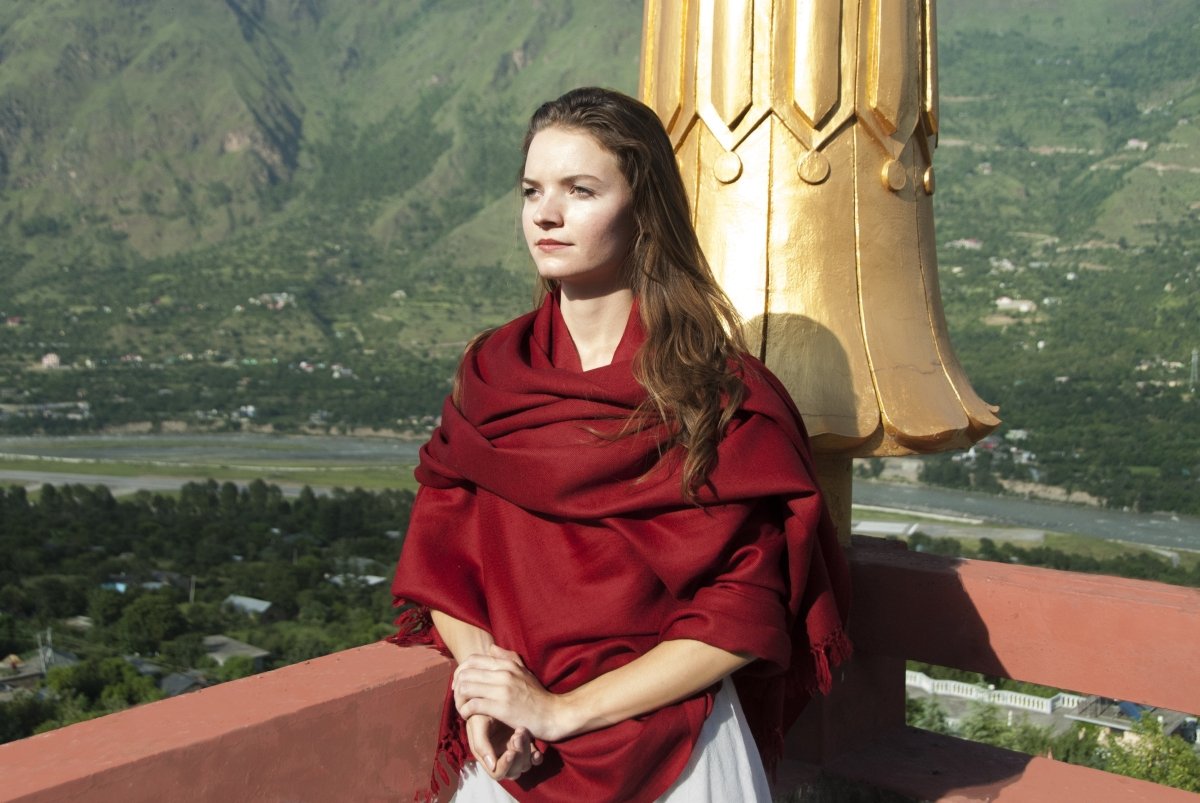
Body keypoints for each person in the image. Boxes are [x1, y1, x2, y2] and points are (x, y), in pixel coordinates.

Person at [390, 87, 851, 803]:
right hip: (514, 761)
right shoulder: (492, 376)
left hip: (678, 754)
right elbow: (443, 558)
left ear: (644, 209)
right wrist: (489, 692)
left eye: (580, 189)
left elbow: (743, 612)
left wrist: (563, 710)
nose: (546, 213)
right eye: (532, 190)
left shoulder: (717, 395)